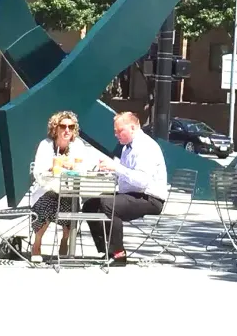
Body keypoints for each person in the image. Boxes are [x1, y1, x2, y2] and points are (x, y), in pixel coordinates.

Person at [14, 110, 101, 263]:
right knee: (47, 202)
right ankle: (37, 244)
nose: (67, 130)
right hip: (46, 190)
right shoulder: (46, 145)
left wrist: (72, 166)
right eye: (63, 126)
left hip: (69, 191)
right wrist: (53, 167)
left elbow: (84, 167)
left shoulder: (78, 145)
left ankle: (65, 239)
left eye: (71, 127)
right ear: (55, 128)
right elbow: (38, 172)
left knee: (71, 205)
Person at [85, 111, 168, 264]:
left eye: (120, 131)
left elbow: (142, 181)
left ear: (133, 127)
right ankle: (107, 250)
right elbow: (124, 175)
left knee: (109, 204)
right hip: (132, 194)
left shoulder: (145, 147)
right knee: (90, 204)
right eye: (115, 131)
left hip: (150, 198)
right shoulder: (127, 147)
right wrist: (105, 171)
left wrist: (116, 167)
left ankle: (119, 254)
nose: (117, 135)